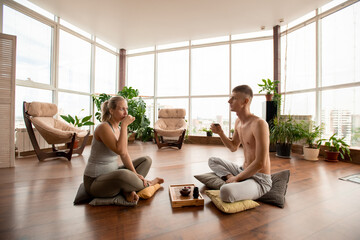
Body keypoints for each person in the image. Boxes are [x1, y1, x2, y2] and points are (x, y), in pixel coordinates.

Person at [83, 96, 164, 203]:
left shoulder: (119, 129)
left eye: (126, 109)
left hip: (113, 174)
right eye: (122, 109)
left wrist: (135, 174)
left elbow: (124, 154)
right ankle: (150, 183)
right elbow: (120, 150)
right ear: (111, 110)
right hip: (95, 183)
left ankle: (129, 189)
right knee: (123, 174)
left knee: (146, 160)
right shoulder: (103, 127)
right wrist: (125, 125)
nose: (126, 113)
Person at [208, 85, 272, 203]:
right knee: (212, 160)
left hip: (259, 179)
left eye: (234, 98)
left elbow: (260, 163)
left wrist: (237, 178)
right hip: (243, 170)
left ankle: (235, 183)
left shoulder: (259, 124)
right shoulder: (238, 122)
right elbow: (233, 147)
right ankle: (230, 179)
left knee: (226, 191)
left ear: (245, 101)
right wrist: (220, 133)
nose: (229, 101)